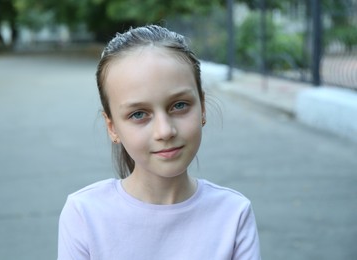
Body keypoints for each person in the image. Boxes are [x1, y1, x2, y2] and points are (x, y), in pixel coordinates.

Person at [58, 25, 261, 260]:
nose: (165, 131)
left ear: (202, 107)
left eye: (179, 105)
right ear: (112, 126)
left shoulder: (233, 214)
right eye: (138, 114)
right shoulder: (85, 214)